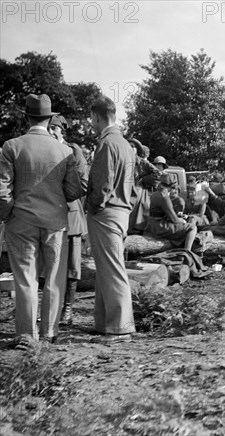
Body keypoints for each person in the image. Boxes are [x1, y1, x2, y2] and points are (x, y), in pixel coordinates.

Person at [0, 94, 81, 347]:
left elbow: (2, 191)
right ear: (49, 118)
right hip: (55, 224)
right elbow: (73, 192)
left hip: (21, 222)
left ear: (27, 117)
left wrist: (8, 216)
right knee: (55, 278)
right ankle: (49, 333)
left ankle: (26, 335)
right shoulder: (65, 150)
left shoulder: (11, 146)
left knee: (25, 279)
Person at [87, 95, 137, 343]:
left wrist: (92, 207)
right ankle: (105, 323)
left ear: (96, 117)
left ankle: (120, 328)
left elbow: (102, 186)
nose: (92, 125)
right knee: (106, 269)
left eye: (92, 120)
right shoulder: (126, 145)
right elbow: (133, 189)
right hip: (121, 211)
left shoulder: (106, 144)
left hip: (106, 213)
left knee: (113, 270)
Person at [48, 115, 89, 325]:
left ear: (61, 130)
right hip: (46, 215)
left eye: (54, 128)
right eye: (48, 127)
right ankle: (50, 309)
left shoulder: (73, 150)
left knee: (72, 267)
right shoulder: (42, 149)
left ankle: (67, 310)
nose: (51, 131)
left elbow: (83, 184)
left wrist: (57, 193)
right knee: (49, 264)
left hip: (70, 215)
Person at [145, 173, 198, 250]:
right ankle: (187, 252)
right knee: (192, 227)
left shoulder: (155, 194)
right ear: (171, 186)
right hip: (160, 227)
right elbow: (175, 220)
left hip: (152, 224)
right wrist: (182, 220)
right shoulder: (164, 197)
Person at [128, 138, 161, 235]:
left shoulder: (142, 162)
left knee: (136, 223)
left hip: (138, 195)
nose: (130, 148)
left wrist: (143, 181)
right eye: (129, 146)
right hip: (124, 194)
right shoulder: (121, 161)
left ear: (137, 150)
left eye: (133, 147)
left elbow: (157, 174)